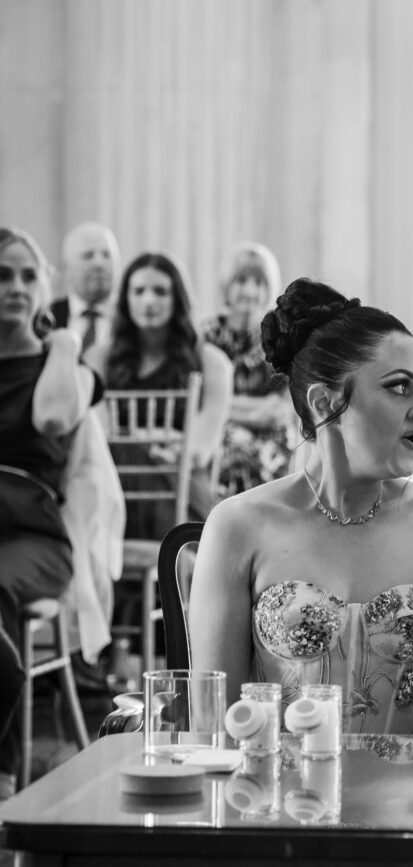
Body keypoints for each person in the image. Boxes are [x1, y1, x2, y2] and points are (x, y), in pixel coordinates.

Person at [189, 278, 413, 734]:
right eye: (399, 388)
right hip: (279, 798)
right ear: (325, 402)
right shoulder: (238, 526)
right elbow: (211, 724)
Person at [0, 227, 99, 798]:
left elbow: (54, 421)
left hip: (33, 537)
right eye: (2, 275)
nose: (16, 286)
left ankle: (4, 776)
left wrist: (62, 345)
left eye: (28, 275)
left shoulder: (64, 365)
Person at [84, 252, 232, 539]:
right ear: (125, 299)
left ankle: (165, 558)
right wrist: (150, 441)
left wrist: (140, 444)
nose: (149, 301)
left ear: (177, 299)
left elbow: (200, 449)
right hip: (115, 482)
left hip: (181, 485)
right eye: (138, 291)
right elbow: (98, 436)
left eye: (160, 291)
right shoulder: (98, 358)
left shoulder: (211, 362)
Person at [201, 243, 292, 498]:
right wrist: (251, 411)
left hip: (270, 433)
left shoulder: (279, 338)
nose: (250, 291)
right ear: (227, 286)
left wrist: (226, 406)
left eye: (259, 283)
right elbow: (201, 403)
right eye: (241, 281)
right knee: (231, 445)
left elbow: (276, 409)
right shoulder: (207, 336)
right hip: (219, 430)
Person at [50, 222, 121, 356]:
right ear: (66, 268)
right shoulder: (48, 318)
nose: (99, 264)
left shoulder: (133, 317)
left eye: (107, 255)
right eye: (88, 256)